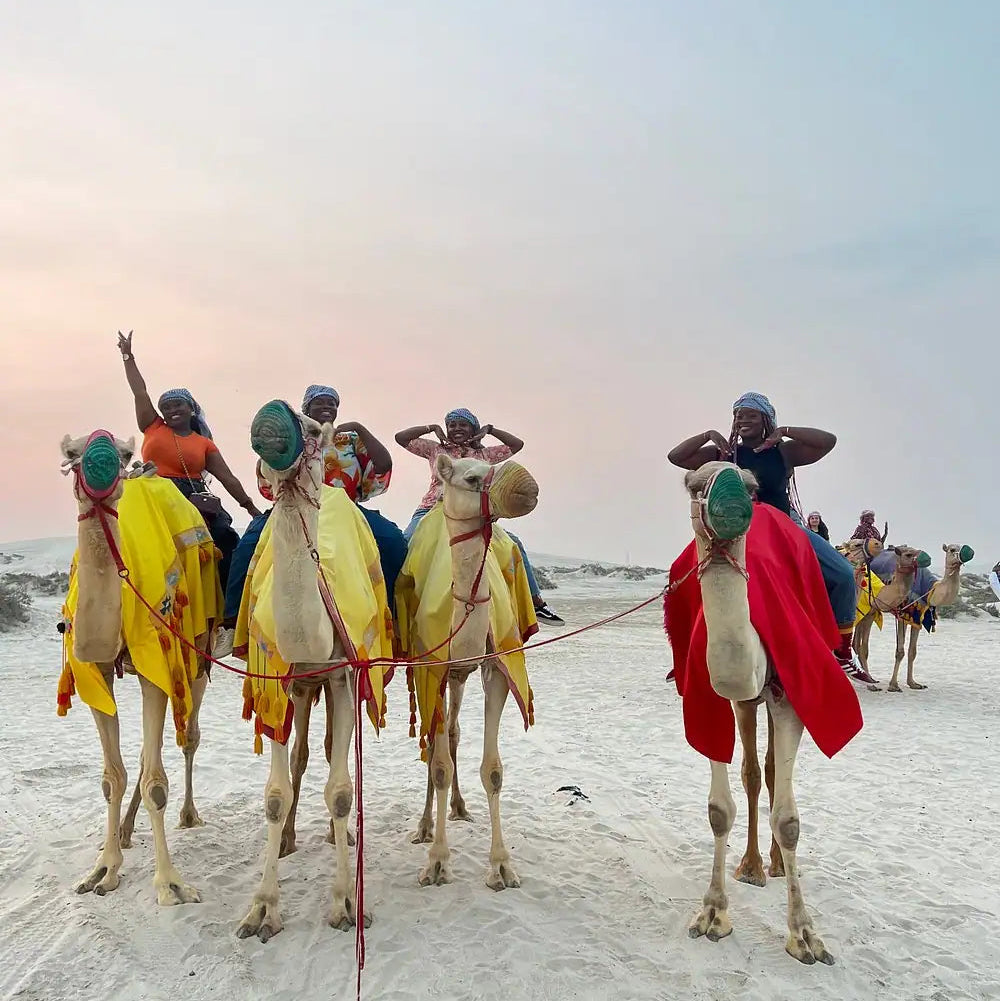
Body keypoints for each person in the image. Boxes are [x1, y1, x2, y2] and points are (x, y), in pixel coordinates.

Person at [667, 391, 870, 681]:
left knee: (841, 573)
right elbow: (677, 457)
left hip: (782, 526)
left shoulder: (783, 452)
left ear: (765, 419)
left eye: (750, 414)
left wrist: (783, 433)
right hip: (733, 530)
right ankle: (687, 654)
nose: (742, 419)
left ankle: (842, 653)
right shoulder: (723, 454)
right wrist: (710, 434)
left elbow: (828, 441)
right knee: (679, 575)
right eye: (738, 414)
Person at [216, 385, 407, 655]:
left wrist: (361, 429)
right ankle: (232, 624)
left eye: (332, 403)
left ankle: (390, 619)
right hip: (295, 503)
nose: (327, 406)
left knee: (392, 541)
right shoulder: (291, 439)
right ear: (306, 408)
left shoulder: (350, 440)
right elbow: (267, 471)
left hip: (343, 505)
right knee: (247, 545)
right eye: (320, 402)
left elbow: (383, 466)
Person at [117, 332, 260, 595]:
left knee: (225, 539)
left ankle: (228, 605)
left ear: (191, 409)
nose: (172, 410)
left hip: (192, 497)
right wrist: (128, 356)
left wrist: (250, 508)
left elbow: (227, 478)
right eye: (167, 406)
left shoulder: (203, 443)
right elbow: (139, 391)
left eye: (178, 405)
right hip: (153, 492)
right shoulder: (152, 425)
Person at [396, 408, 563, 623]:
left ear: (473, 429)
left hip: (473, 512)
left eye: (463, 425)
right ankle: (392, 603)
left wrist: (490, 430)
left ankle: (536, 603)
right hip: (432, 507)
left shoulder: (484, 455)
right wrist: (432, 428)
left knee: (514, 544)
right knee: (405, 543)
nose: (456, 429)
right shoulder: (436, 449)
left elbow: (516, 445)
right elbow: (401, 438)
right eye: (452, 425)